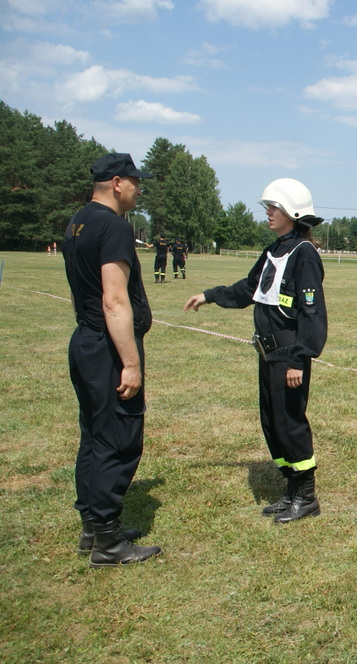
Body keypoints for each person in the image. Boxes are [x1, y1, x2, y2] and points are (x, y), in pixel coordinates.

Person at [184, 178, 327, 524]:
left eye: (274, 207)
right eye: (268, 207)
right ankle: (291, 488)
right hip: (268, 354)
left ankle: (306, 496)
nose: (268, 213)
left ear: (293, 212)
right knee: (272, 423)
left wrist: (299, 359)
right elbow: (248, 288)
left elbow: (312, 314)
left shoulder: (303, 254)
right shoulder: (274, 250)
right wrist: (210, 295)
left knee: (290, 423)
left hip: (289, 356)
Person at [63, 152, 161, 567]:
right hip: (107, 346)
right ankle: (107, 540)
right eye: (136, 183)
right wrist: (130, 363)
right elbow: (114, 300)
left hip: (85, 341)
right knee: (118, 439)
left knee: (94, 434)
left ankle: (93, 526)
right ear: (117, 183)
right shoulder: (114, 227)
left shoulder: (78, 222)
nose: (139, 190)